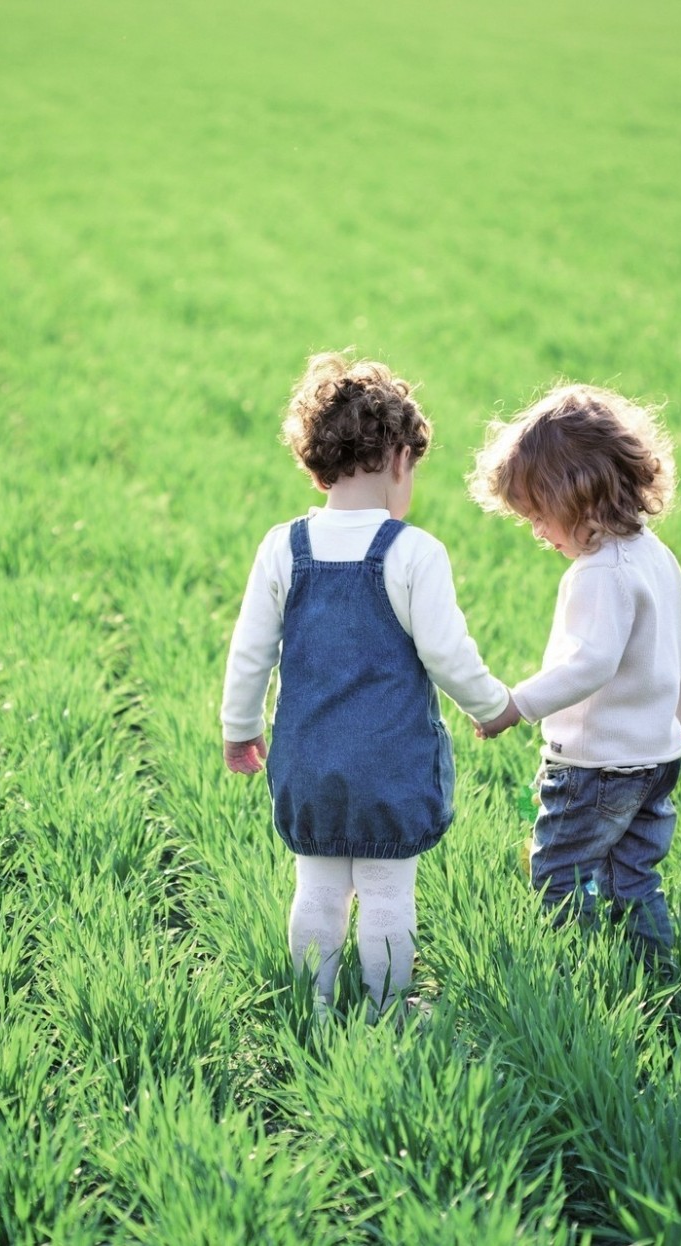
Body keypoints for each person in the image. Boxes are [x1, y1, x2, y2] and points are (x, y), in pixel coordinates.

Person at [222, 352, 512, 1018]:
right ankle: (386, 1009)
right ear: (399, 460)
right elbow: (448, 652)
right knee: (387, 893)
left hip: (310, 759)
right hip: (390, 765)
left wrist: (240, 728)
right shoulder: (412, 552)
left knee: (318, 890)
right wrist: (492, 707)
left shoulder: (283, 546)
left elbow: (251, 651)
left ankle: (314, 1009)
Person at [468, 383, 681, 976]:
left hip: (597, 767)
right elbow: (678, 649)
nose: (539, 532)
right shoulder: (654, 555)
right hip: (656, 758)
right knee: (631, 875)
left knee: (557, 873)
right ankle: (656, 972)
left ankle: (569, 978)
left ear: (578, 497)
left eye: (541, 516)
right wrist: (679, 721)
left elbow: (590, 664)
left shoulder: (601, 573)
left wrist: (517, 705)